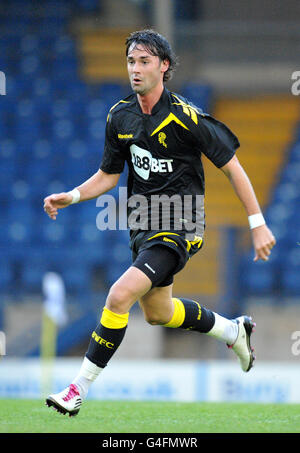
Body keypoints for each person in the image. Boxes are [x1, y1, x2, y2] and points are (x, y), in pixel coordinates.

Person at [44, 29, 276, 416]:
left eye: (145, 61)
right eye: (131, 61)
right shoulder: (120, 116)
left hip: (182, 223)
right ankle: (233, 331)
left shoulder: (187, 118)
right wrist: (72, 196)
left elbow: (233, 167)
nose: (135, 69)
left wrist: (257, 223)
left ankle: (76, 389)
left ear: (164, 66)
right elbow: (107, 175)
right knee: (158, 313)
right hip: (143, 225)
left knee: (119, 295)